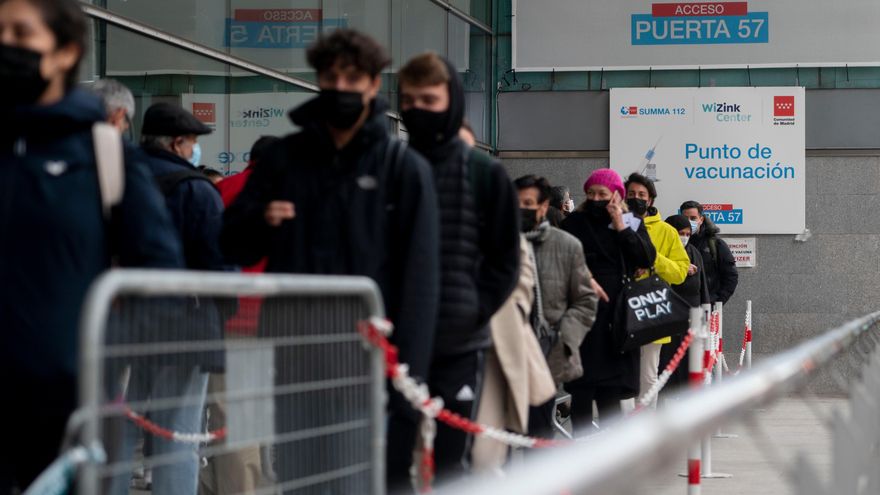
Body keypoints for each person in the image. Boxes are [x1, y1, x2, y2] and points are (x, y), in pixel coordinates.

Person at [221, 29, 440, 493]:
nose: (341, 87)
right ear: (319, 80)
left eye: (353, 77)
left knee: (358, 479)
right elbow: (232, 244)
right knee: (301, 479)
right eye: (331, 76)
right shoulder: (284, 159)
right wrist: (261, 219)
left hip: (371, 360)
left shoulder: (402, 168)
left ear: (374, 84)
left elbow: (421, 278)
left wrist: (409, 375)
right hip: (295, 355)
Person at [0, 0, 183, 490]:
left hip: (66, 405)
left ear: (66, 52)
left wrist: (101, 362)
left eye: (20, 33)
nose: (6, 45)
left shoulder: (104, 155)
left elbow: (160, 272)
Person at [398, 51, 520, 483]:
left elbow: (506, 260)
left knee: (452, 467)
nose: (418, 110)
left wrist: (471, 309)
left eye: (429, 101)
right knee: (392, 466)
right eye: (409, 101)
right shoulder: (388, 166)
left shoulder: (484, 172)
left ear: (451, 102)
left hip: (457, 345)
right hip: (392, 347)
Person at [105, 102, 228, 495]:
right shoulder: (196, 190)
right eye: (192, 141)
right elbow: (218, 263)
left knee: (120, 424)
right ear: (178, 143)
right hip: (186, 323)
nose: (194, 149)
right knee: (179, 430)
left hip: (122, 320)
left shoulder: (112, 179)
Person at [199, 136, 280, 495]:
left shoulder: (224, 189)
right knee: (257, 420)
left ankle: (236, 488)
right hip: (277, 319)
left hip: (230, 319)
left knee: (235, 419)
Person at [560, 169, 656, 431]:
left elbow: (646, 259)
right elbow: (563, 258)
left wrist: (621, 225)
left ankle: (609, 453)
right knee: (581, 384)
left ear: (616, 196)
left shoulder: (630, 221)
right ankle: (581, 446)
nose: (596, 198)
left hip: (617, 312)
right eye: (591, 193)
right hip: (583, 309)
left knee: (611, 389)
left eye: (602, 194)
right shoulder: (574, 222)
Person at [514, 175, 597, 437]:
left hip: (545, 350)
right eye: (517, 203)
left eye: (529, 202)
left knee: (538, 432)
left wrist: (565, 338)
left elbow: (585, 299)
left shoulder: (566, 245)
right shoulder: (497, 242)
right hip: (504, 350)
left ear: (542, 206)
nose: (522, 209)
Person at [470, 236, 555, 474]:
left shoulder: (513, 240)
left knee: (496, 449)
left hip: (519, 349)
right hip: (471, 348)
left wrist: (565, 339)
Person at [625, 173, 689, 409]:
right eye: (631, 194)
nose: (636, 199)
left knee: (648, 375)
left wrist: (653, 258)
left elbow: (680, 272)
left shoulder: (668, 232)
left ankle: (645, 432)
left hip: (651, 308)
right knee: (620, 376)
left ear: (651, 199)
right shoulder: (614, 225)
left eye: (642, 195)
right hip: (619, 309)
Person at [661, 215, 711, 391]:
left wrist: (706, 311)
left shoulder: (694, 252)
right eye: (679, 233)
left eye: (687, 233)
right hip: (669, 316)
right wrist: (680, 271)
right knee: (668, 359)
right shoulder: (662, 253)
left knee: (689, 359)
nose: (683, 237)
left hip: (692, 317)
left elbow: (702, 285)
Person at [680, 200, 739, 304]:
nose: (689, 222)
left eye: (693, 218)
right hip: (680, 305)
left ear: (701, 219)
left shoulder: (715, 244)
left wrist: (716, 302)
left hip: (707, 306)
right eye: (685, 218)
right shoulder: (673, 243)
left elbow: (731, 276)